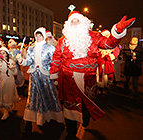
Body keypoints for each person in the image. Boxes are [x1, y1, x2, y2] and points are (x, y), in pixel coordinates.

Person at [49, 11, 135, 140]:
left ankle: (86, 115)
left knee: (86, 104)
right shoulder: (63, 40)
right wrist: (54, 73)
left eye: (77, 20)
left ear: (83, 22)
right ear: (68, 25)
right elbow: (56, 57)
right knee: (69, 106)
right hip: (68, 79)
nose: (75, 23)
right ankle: (71, 131)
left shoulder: (94, 36)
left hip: (87, 78)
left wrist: (117, 31)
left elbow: (109, 44)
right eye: (72, 21)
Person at [16, 27, 64, 136]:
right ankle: (29, 122)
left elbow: (55, 63)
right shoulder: (31, 49)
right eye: (36, 35)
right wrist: (21, 60)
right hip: (34, 76)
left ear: (44, 37)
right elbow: (28, 61)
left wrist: (54, 76)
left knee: (49, 96)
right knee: (33, 98)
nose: (38, 37)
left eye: (40, 35)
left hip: (46, 76)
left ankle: (51, 116)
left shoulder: (50, 48)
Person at [0, 47, 19, 120]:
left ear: (7, 54)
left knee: (7, 96)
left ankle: (6, 112)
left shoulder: (11, 61)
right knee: (3, 95)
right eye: (0, 53)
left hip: (8, 80)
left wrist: (13, 68)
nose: (2, 55)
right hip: (1, 80)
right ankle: (8, 107)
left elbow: (15, 73)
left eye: (3, 53)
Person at [97, 30, 120, 94]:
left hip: (107, 62)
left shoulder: (112, 43)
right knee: (98, 75)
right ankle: (99, 88)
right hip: (99, 62)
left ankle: (104, 87)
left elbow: (116, 51)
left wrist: (110, 56)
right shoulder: (98, 43)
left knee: (106, 76)